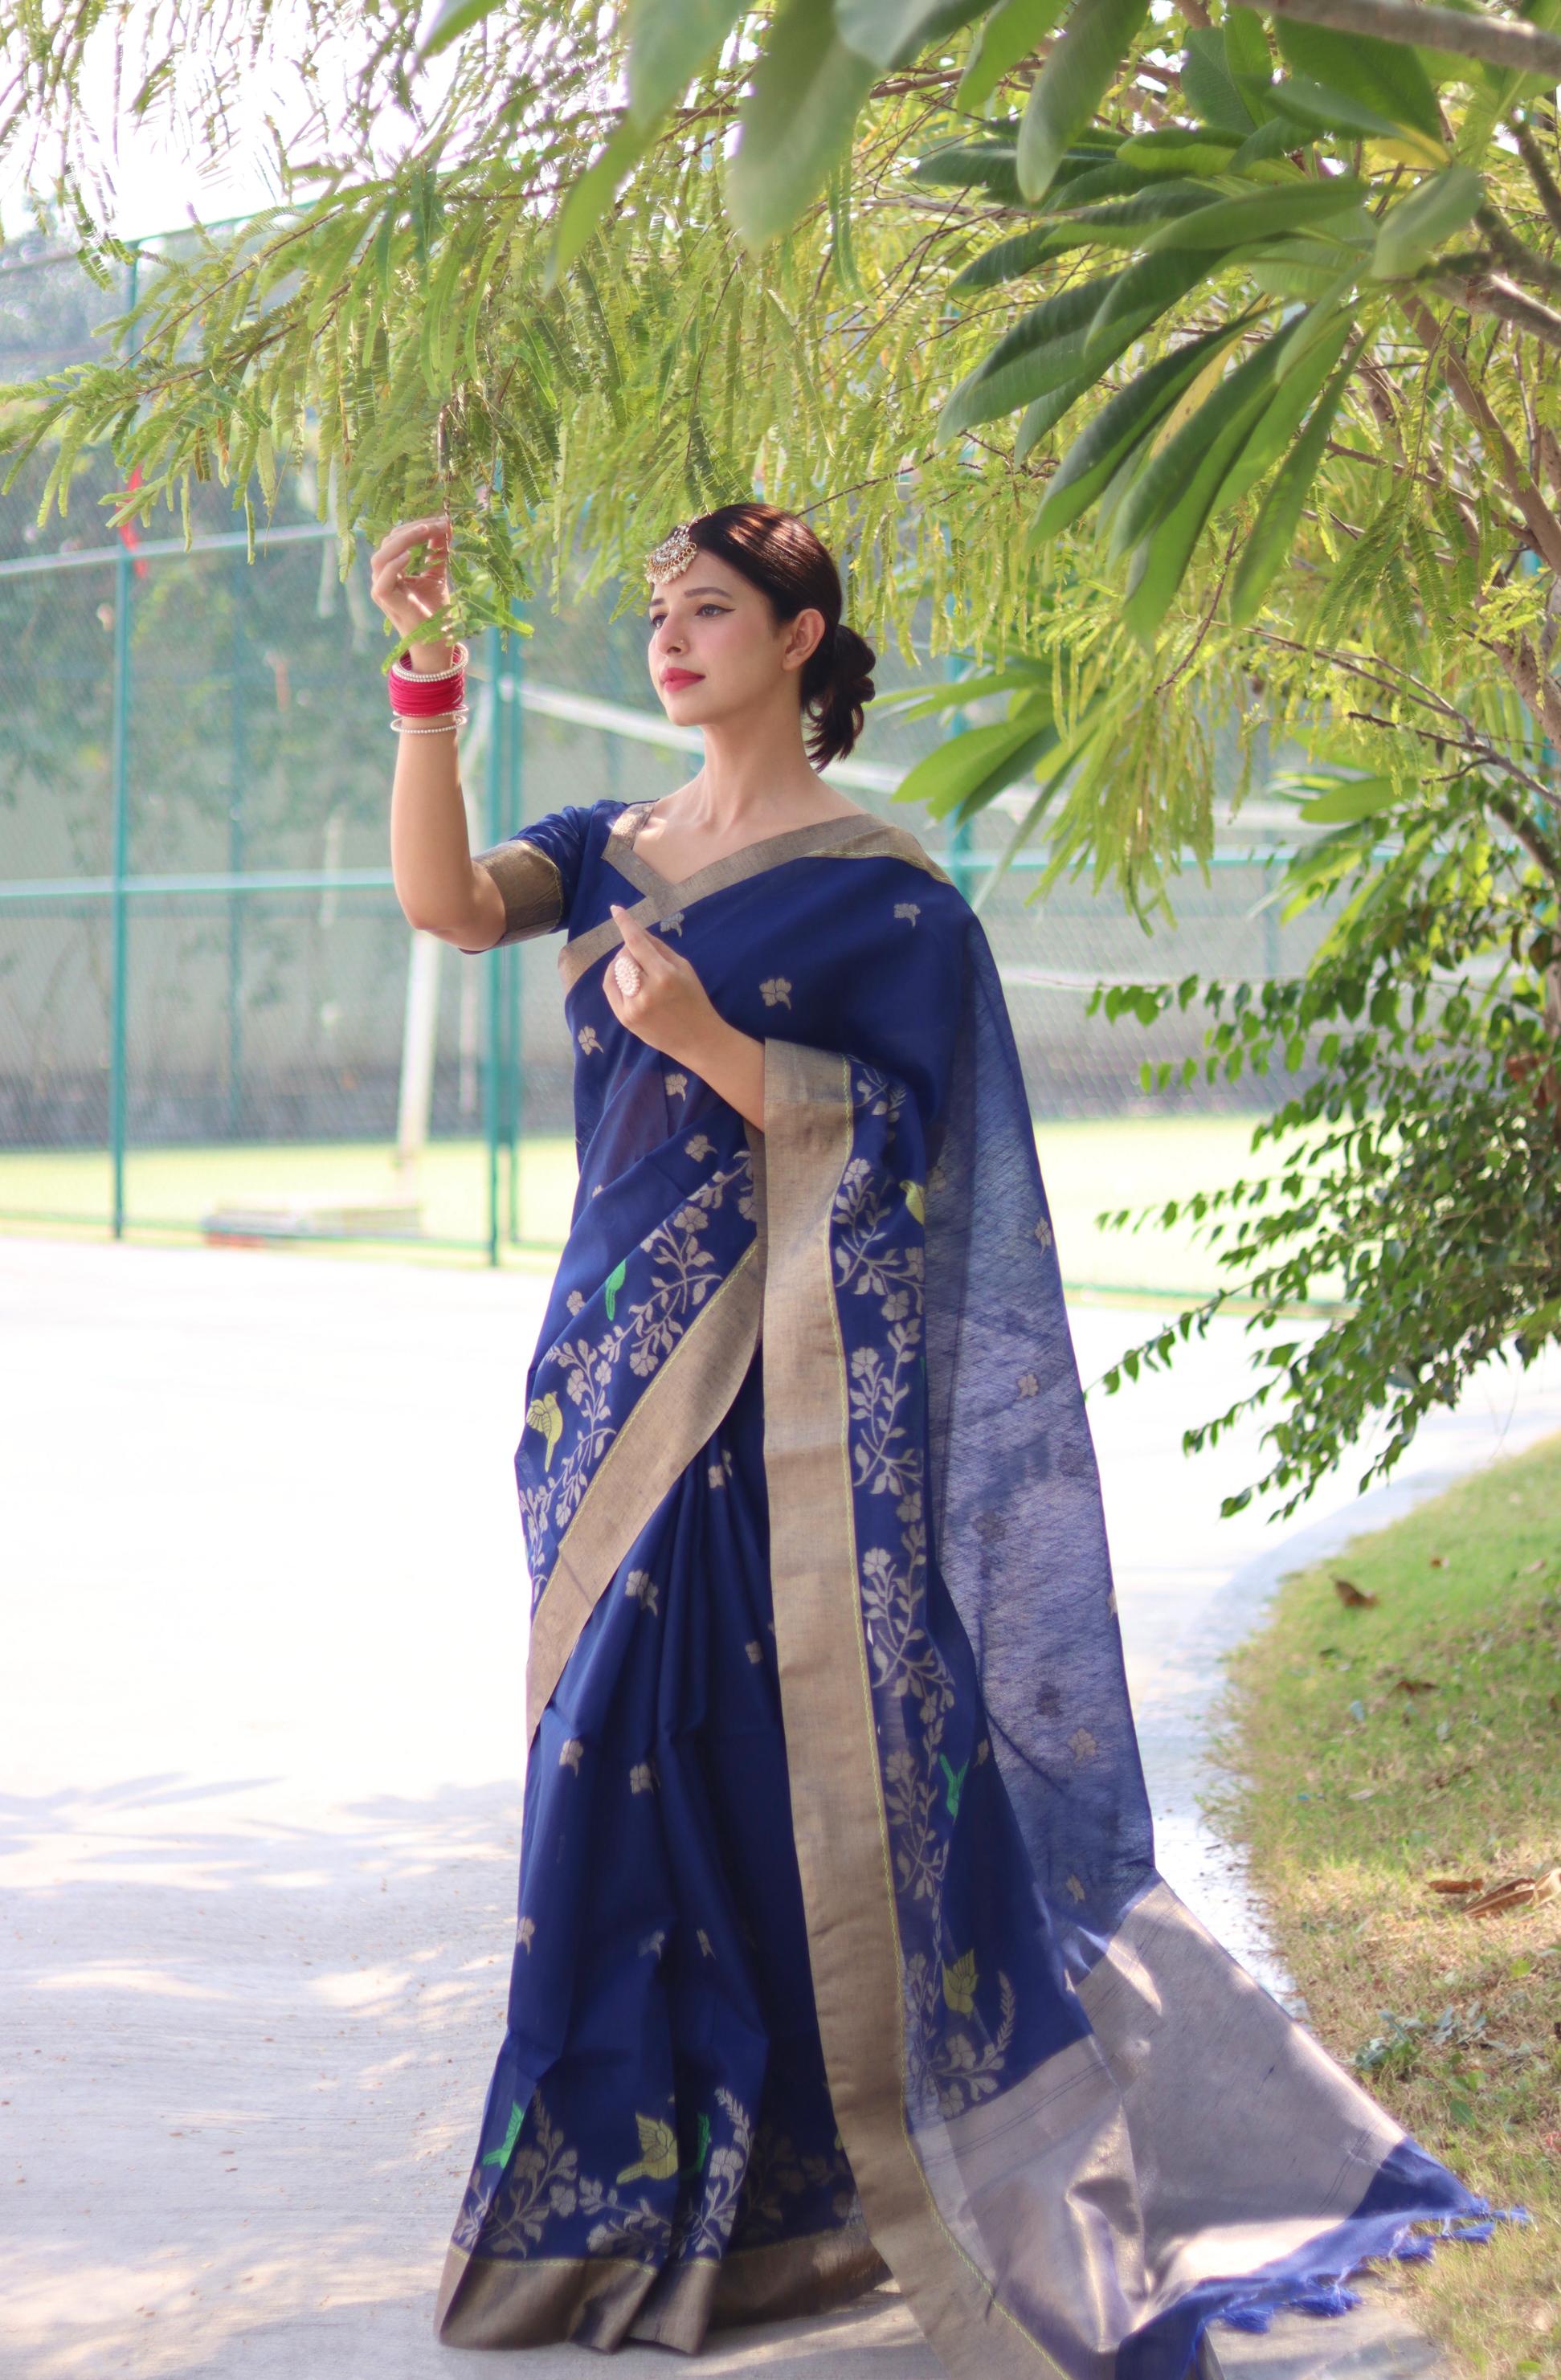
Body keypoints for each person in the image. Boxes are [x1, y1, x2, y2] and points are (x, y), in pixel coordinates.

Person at [371, 503, 1504, 2378]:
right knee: (604, 1771)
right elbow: (445, 905)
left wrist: (723, 1049)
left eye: (710, 609)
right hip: (602, 1391)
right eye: (658, 610)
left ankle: (820, 2198)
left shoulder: (889, 898)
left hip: (786, 1412)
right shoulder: (607, 851)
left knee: (761, 1772)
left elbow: (919, 1169)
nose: (671, 636)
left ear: (799, 637)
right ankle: (632, 2216)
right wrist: (427, 687)